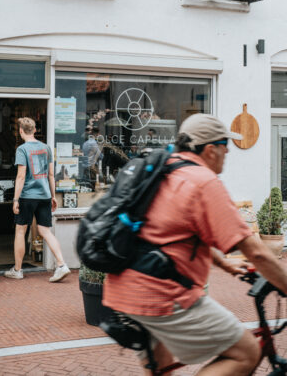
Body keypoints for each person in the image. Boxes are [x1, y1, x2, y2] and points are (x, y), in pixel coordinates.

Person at [103, 113, 287, 376]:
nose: (228, 152)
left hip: (123, 288)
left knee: (161, 370)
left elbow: (173, 235)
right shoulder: (203, 181)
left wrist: (226, 265)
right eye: (226, 146)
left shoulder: (162, 171)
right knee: (247, 352)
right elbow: (256, 251)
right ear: (211, 149)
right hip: (162, 293)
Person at [4, 117, 70, 282]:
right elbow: (51, 174)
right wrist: (53, 196)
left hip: (27, 196)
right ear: (34, 130)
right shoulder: (46, 148)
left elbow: (20, 176)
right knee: (45, 231)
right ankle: (62, 265)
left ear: (20, 131)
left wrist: (15, 199)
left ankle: (18, 270)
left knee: (21, 230)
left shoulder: (22, 149)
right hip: (45, 195)